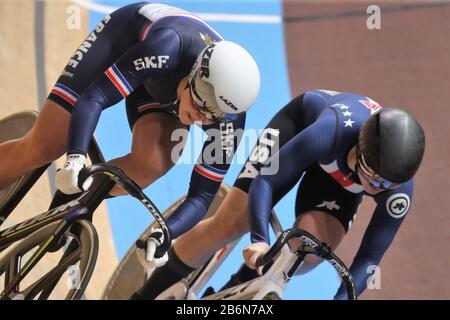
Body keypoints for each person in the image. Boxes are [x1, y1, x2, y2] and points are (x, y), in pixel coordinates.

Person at [0, 3, 260, 266]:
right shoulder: (168, 47)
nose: (202, 118)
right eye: (201, 103)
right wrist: (75, 156)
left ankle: (72, 201)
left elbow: (202, 196)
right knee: (46, 145)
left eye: (213, 116)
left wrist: (165, 233)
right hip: (126, 40)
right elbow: (96, 96)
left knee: (154, 162)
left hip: (166, 88)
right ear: (194, 74)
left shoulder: (229, 120)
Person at [136, 89, 425, 300]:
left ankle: (232, 293)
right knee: (233, 222)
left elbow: (368, 261)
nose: (375, 189)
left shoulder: (397, 190)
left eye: (384, 186)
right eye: (372, 178)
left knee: (305, 253)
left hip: (335, 178)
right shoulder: (330, 131)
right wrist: (260, 240)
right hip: (298, 127)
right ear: (360, 151)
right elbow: (265, 183)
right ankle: (145, 295)